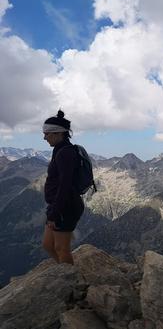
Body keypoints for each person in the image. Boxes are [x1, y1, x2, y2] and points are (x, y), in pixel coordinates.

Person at [42, 110, 84, 264]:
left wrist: (54, 213)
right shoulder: (59, 150)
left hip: (66, 207)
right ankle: (65, 273)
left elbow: (64, 186)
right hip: (58, 206)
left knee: (61, 247)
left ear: (58, 133)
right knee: (47, 245)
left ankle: (71, 281)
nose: (44, 137)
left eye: (47, 133)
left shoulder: (65, 153)